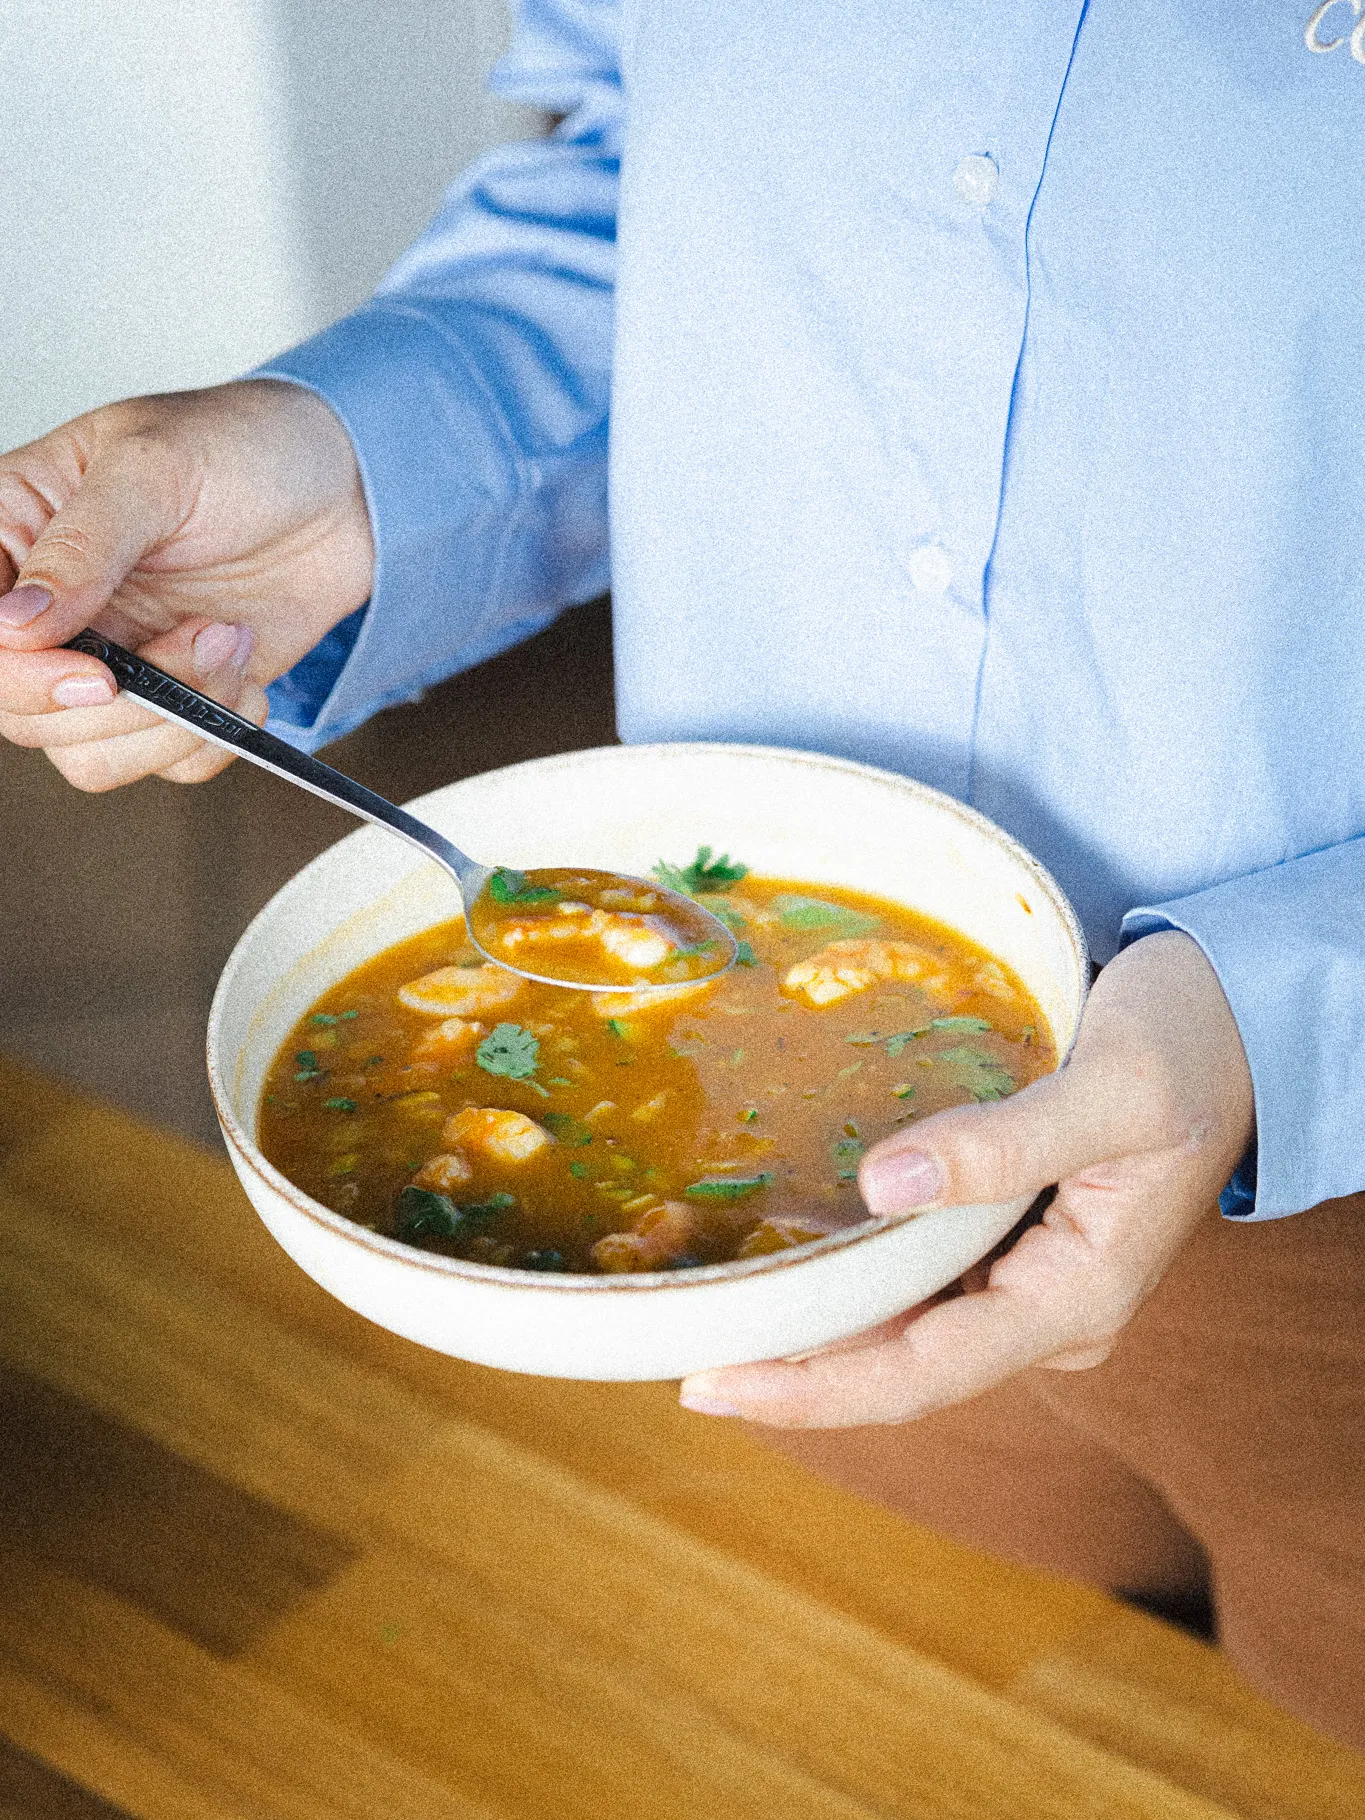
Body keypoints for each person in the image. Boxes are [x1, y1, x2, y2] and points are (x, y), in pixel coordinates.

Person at [2, 0, 1362, 1745]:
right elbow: (656, 171)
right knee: (958, 1679)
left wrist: (1300, 1005)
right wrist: (359, 462)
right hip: (770, 1162)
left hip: (1326, 1221)